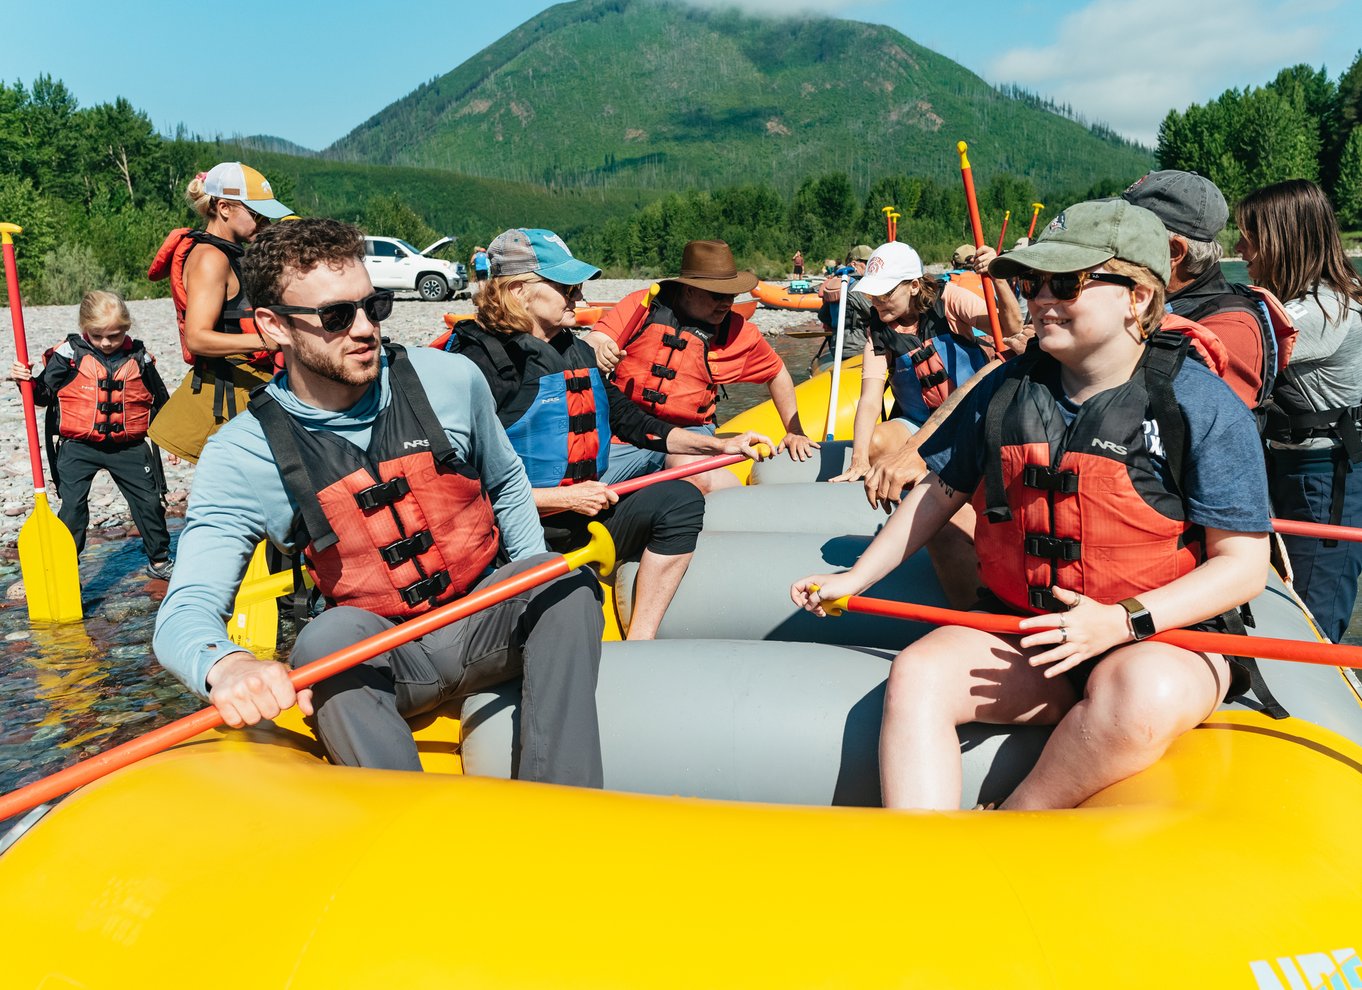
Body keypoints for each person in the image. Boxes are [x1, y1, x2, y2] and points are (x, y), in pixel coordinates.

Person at [792, 198, 1271, 811]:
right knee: (919, 673)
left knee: (1139, 691)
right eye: (1032, 282)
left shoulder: (1198, 406)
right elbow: (938, 494)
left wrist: (1120, 621)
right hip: (1032, 632)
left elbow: (1243, 567)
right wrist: (855, 577)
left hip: (1162, 636)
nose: (1043, 298)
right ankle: (922, 862)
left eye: (1067, 283)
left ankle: (1022, 818)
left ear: (1139, 297)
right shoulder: (1004, 391)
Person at [153, 218, 603, 786]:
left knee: (561, 579)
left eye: (375, 306)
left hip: (485, 622)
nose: (365, 329)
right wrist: (228, 664)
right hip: (387, 659)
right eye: (337, 316)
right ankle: (404, 824)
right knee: (323, 638)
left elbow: (507, 485)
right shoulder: (244, 454)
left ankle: (563, 803)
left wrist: (529, 576)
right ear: (274, 327)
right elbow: (185, 610)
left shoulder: (450, 379)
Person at [444, 228, 770, 639]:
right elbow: (454, 490)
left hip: (582, 518)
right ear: (518, 291)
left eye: (578, 287)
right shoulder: (476, 365)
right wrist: (560, 498)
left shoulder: (574, 351)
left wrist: (719, 444)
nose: (579, 298)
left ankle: (641, 638)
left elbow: (635, 423)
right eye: (567, 287)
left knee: (680, 501)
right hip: (513, 534)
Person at [831, 241, 1024, 608]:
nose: (877, 302)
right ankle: (928, 495)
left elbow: (1011, 325)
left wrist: (997, 278)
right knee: (874, 444)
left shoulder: (948, 300)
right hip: (916, 420)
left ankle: (961, 509)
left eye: (885, 293)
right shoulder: (878, 330)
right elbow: (871, 397)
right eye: (872, 295)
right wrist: (858, 459)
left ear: (914, 285)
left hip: (971, 412)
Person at [584, 239, 816, 492]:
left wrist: (795, 430)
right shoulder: (643, 305)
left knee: (691, 473)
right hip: (624, 430)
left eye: (732, 295)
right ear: (689, 290)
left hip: (690, 431)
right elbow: (596, 340)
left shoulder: (738, 333)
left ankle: (738, 506)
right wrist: (599, 349)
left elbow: (777, 372)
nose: (727, 303)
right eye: (717, 295)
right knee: (585, 484)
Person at [1236, 179, 1362, 643]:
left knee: (1311, 613)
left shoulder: (1327, 310)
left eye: (1249, 235)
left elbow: (1238, 343)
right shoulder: (1295, 302)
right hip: (1289, 468)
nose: (1240, 247)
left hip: (1325, 478)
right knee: (1282, 599)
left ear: (1282, 236)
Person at [9, 291, 174, 579]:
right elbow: (44, 395)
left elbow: (161, 400)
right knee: (72, 507)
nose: (107, 343)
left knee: (149, 503)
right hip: (79, 447)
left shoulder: (139, 357)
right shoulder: (69, 355)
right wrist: (25, 381)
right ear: (85, 327)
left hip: (129, 447)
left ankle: (159, 561)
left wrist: (173, 442)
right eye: (97, 336)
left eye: (115, 335)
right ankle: (65, 567)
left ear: (126, 328)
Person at [147, 161, 294, 462]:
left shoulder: (231, 252)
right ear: (224, 208)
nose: (265, 221)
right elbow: (198, 338)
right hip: (229, 395)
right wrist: (270, 341)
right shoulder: (211, 258)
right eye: (257, 213)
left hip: (250, 383)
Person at [1123, 169, 1269, 408]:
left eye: (1128, 234)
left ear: (1173, 252)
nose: (1113, 243)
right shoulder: (1152, 299)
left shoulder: (1230, 327)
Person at [816, 244, 874, 360]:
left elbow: (823, 315)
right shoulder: (857, 287)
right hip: (858, 347)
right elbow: (876, 313)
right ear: (854, 264)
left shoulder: (837, 283)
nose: (870, 266)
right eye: (866, 262)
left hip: (837, 346)